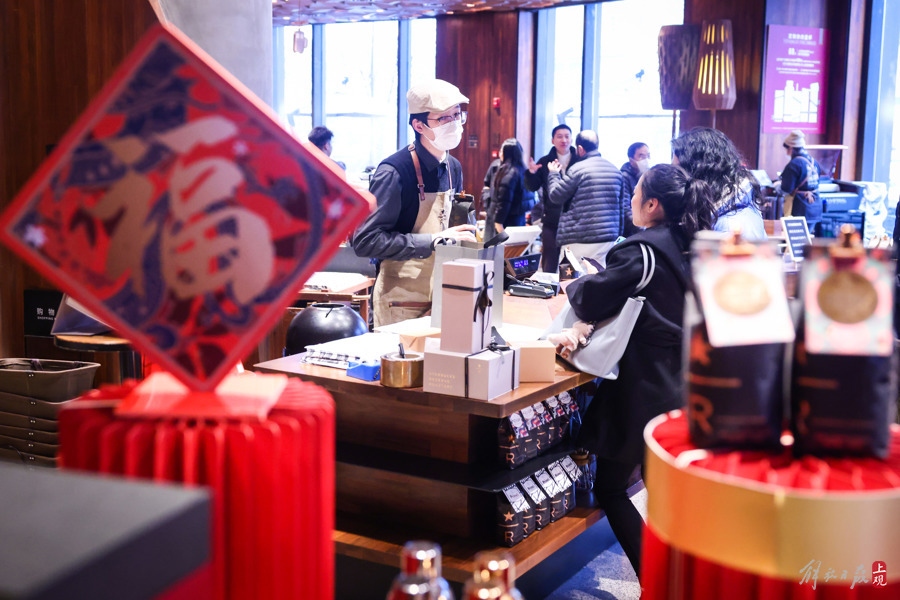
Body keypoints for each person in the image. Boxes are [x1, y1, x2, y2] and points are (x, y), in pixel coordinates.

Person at [549, 163, 716, 580]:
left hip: (643, 387)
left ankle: (658, 581)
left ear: (653, 204)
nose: (633, 199)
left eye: (637, 192)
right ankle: (682, 578)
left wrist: (577, 281)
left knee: (611, 486)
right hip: (687, 382)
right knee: (666, 492)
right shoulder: (696, 244)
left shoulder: (640, 251)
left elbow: (592, 298)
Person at [350, 79, 476, 327]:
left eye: (457, 115)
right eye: (443, 118)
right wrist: (431, 241)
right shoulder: (395, 172)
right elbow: (365, 241)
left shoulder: (453, 167)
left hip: (445, 296)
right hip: (400, 301)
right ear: (418, 125)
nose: (454, 124)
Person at [671, 127, 767, 241]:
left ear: (700, 170)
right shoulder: (729, 207)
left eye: (679, 170)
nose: (676, 178)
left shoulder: (732, 225)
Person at [547, 130, 626, 267]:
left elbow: (556, 196)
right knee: (600, 276)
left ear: (580, 149)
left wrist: (553, 174)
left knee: (573, 278)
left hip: (578, 238)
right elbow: (621, 207)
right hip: (608, 238)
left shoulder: (578, 169)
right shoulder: (615, 170)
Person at [525, 124, 577, 273]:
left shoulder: (579, 160)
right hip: (551, 218)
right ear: (553, 140)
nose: (564, 140)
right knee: (550, 260)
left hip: (574, 220)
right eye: (559, 137)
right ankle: (548, 285)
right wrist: (531, 173)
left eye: (567, 136)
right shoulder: (545, 161)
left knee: (571, 264)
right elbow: (532, 187)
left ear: (571, 139)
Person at [484, 138, 531, 241]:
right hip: (518, 219)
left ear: (507, 153)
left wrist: (498, 223)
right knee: (515, 248)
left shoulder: (509, 172)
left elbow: (504, 201)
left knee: (498, 249)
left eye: (502, 151)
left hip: (504, 221)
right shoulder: (523, 170)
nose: (500, 154)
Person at [780, 129, 822, 233]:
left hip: (800, 209)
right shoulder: (813, 162)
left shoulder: (794, 164)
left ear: (791, 148)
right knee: (806, 239)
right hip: (815, 208)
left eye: (787, 149)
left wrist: (777, 185)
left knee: (796, 239)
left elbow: (786, 188)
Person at [620, 142, 650, 235]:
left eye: (648, 156)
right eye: (641, 156)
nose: (646, 160)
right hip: (631, 231)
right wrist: (642, 229)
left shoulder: (648, 176)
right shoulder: (624, 177)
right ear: (631, 160)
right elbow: (625, 209)